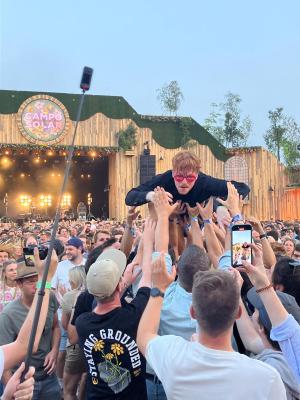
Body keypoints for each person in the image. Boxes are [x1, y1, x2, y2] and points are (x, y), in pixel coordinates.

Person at [137, 255, 287, 400]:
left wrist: (158, 288)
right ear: (238, 313)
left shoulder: (173, 357)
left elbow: (144, 335)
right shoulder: (267, 378)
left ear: (193, 312)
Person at [75, 235, 152, 399]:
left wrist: (120, 284)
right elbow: (147, 279)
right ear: (119, 285)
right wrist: (149, 237)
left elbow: (103, 301)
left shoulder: (83, 323)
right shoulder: (132, 315)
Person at [0, 248, 59, 399]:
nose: (37, 285)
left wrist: (54, 350)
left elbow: (56, 327)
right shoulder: (8, 314)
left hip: (49, 377)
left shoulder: (49, 297)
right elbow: (4, 365)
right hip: (24, 383)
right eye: (31, 281)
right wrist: (12, 391)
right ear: (19, 283)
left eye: (38, 280)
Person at [125, 150, 250, 207]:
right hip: (171, 221)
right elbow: (130, 196)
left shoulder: (205, 182)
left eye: (190, 177)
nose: (184, 182)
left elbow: (243, 188)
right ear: (173, 173)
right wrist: (151, 196)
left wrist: (218, 207)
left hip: (199, 219)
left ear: (196, 175)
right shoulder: (164, 179)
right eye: (179, 177)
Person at [61, 266, 87, 400]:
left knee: (68, 390)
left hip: (75, 347)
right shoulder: (94, 293)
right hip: (92, 343)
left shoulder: (69, 296)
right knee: (85, 376)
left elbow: (65, 325)